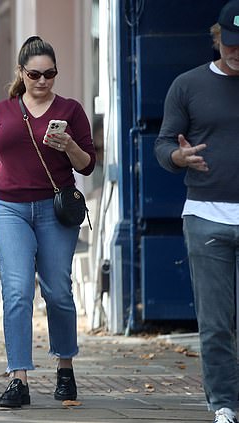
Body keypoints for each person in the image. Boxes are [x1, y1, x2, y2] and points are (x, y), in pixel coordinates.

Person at [0, 36, 95, 408]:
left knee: (58, 289)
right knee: (17, 289)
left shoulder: (71, 110)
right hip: (8, 208)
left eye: (50, 74)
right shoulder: (3, 111)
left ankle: (64, 366)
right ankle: (18, 378)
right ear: (21, 73)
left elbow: (87, 163)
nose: (43, 81)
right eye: (35, 74)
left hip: (54, 209)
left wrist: (69, 146)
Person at [154, 3, 239, 422]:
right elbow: (163, 144)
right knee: (216, 323)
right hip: (206, 215)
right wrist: (178, 157)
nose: (237, 52)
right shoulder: (187, 85)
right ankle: (224, 404)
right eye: (231, 42)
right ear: (217, 37)